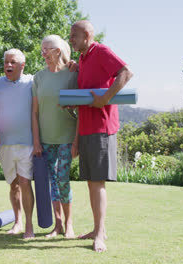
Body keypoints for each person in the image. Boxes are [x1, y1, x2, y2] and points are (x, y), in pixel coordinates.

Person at [69, 20, 133, 252]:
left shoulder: (101, 51)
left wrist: (105, 98)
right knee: (91, 183)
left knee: (98, 183)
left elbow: (126, 72)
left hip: (101, 127)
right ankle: (98, 229)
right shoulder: (84, 59)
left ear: (87, 35)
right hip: (86, 127)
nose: (70, 40)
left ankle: (100, 235)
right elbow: (86, 92)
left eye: (74, 36)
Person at [31, 35, 78, 239]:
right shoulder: (38, 77)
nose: (43, 54)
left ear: (57, 51)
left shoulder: (72, 73)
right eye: (42, 50)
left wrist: (77, 140)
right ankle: (57, 225)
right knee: (52, 181)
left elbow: (81, 107)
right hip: (46, 138)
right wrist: (36, 140)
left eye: (46, 50)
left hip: (67, 136)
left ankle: (69, 224)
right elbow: (34, 112)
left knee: (62, 179)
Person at [0, 49, 35, 239]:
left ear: (22, 66)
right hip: (5, 144)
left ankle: (29, 226)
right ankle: (17, 222)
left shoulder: (33, 82)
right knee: (13, 185)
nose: (8, 65)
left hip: (26, 143)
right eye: (6, 62)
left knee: (25, 182)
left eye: (13, 62)